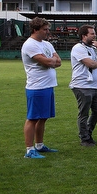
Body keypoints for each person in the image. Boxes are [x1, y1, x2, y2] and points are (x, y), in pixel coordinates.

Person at [21, 17, 62, 158]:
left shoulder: (47, 44)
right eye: (44, 30)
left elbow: (58, 61)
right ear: (35, 30)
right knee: (33, 118)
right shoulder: (30, 45)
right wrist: (51, 60)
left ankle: (39, 145)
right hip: (37, 87)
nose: (47, 32)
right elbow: (47, 62)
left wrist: (52, 60)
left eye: (48, 29)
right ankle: (29, 149)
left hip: (48, 86)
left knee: (43, 117)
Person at [69, 24, 97, 146]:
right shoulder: (78, 48)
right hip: (82, 85)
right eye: (92, 33)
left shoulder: (94, 48)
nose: (95, 35)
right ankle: (84, 138)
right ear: (84, 36)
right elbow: (91, 64)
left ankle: (88, 132)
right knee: (84, 113)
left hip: (95, 86)